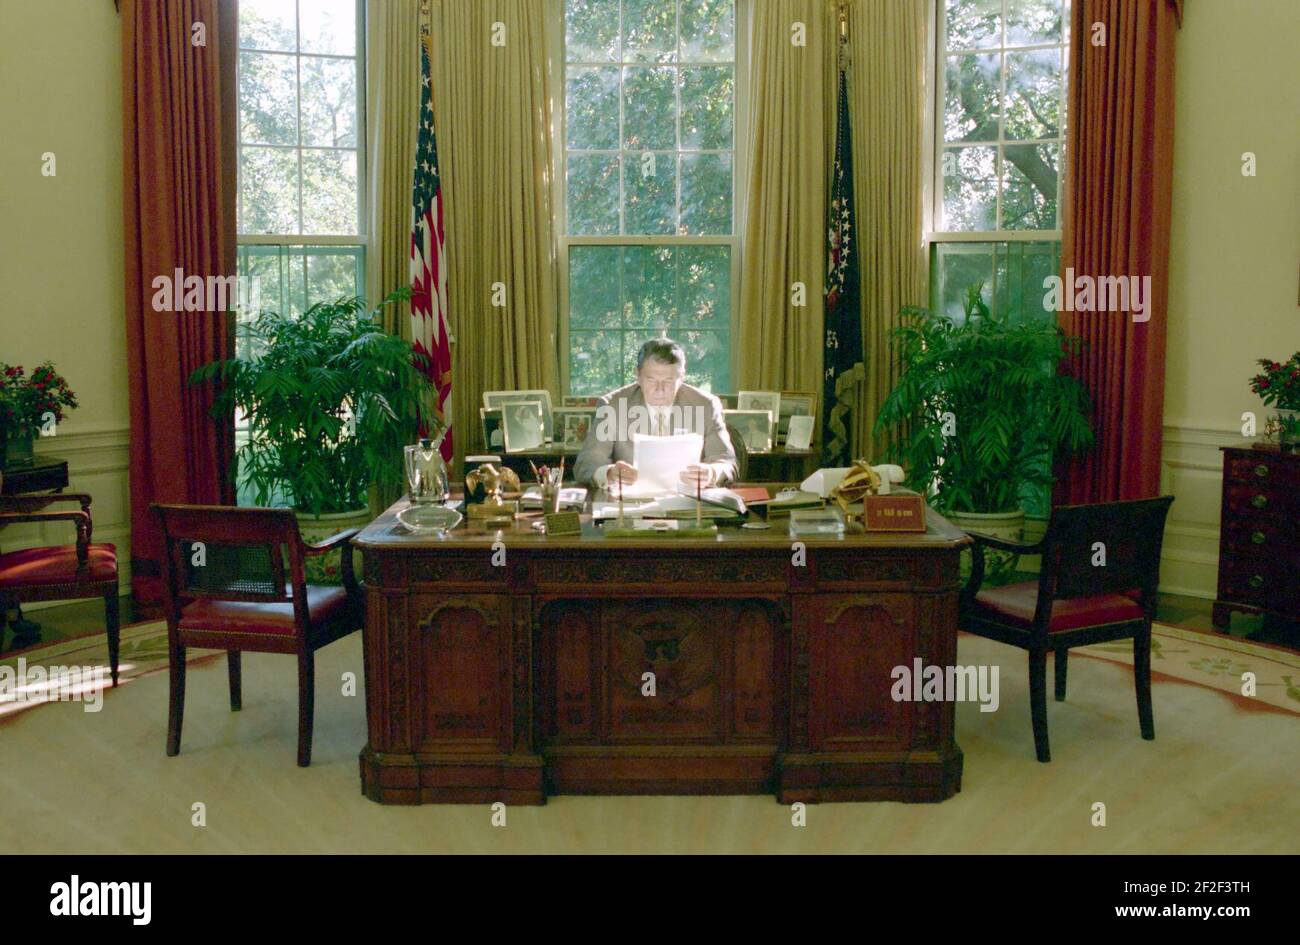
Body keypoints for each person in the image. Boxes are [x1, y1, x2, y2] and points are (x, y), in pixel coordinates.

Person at [573, 337, 737, 490]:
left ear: (682, 377)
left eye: (668, 381)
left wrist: (711, 473)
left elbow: (727, 462)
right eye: (651, 380)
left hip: (689, 504)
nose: (659, 389)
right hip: (631, 507)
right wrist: (609, 473)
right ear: (638, 376)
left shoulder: (706, 405)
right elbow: (587, 463)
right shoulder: (613, 405)